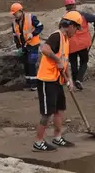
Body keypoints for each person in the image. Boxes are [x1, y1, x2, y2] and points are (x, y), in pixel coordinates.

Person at [33, 11, 80, 152]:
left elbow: (64, 62)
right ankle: (38, 141)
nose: (77, 31)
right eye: (77, 28)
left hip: (57, 80)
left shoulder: (66, 40)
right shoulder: (56, 36)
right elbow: (45, 49)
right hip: (46, 80)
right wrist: (57, 60)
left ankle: (57, 137)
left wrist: (70, 79)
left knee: (60, 109)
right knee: (47, 113)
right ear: (70, 25)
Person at [63, 0, 95, 90]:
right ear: (75, 5)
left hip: (71, 45)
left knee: (74, 63)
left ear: (66, 7)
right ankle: (78, 80)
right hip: (83, 44)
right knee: (84, 62)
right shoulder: (82, 15)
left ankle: (76, 80)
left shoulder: (64, 18)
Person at [11, 3, 44, 91]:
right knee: (26, 64)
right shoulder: (14, 23)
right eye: (13, 14)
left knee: (31, 62)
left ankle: (34, 84)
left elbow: (40, 26)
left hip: (33, 45)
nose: (15, 15)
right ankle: (29, 82)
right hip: (24, 46)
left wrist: (32, 34)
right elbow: (15, 36)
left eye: (15, 13)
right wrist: (19, 47)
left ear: (21, 11)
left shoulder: (31, 18)